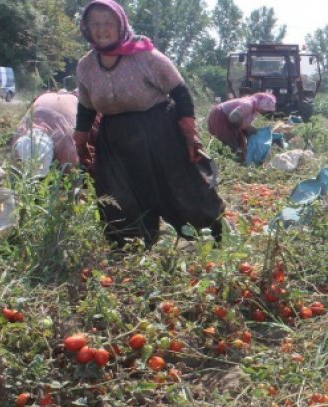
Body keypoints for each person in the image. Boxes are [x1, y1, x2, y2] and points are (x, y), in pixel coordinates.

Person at [73, 0, 224, 248]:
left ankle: (209, 240)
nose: (101, 30)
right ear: (86, 27)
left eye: (108, 24)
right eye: (95, 24)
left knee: (179, 189)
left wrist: (189, 133)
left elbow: (180, 91)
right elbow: (86, 107)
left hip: (158, 131)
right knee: (118, 195)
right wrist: (80, 142)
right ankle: (130, 248)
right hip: (114, 138)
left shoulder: (144, 55)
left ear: (120, 25)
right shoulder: (86, 65)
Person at [12, 91, 84, 176]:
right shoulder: (19, 135)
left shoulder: (64, 142)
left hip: (69, 101)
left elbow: (74, 174)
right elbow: (14, 168)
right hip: (45, 99)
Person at [207, 93, 277, 163]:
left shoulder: (254, 107)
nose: (265, 111)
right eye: (266, 109)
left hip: (227, 119)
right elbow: (233, 117)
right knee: (232, 145)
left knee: (240, 144)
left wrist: (248, 128)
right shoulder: (248, 105)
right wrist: (246, 127)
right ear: (262, 105)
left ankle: (233, 161)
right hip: (221, 117)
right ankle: (227, 163)